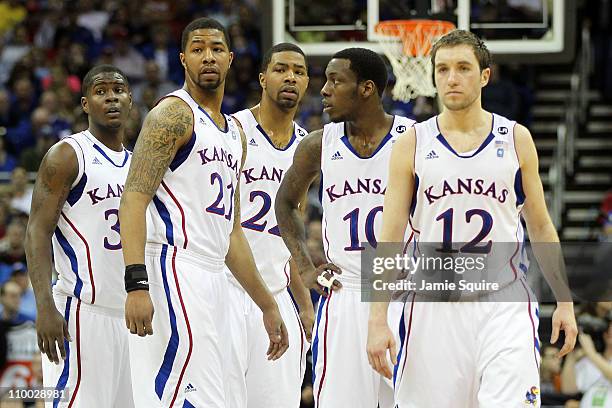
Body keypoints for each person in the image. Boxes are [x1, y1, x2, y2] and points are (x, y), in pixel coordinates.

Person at [366, 29, 578, 407]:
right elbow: (391, 236)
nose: (452, 77)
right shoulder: (412, 143)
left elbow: (541, 225)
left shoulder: (516, 138)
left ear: (484, 76)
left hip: (504, 302)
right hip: (432, 306)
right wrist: (377, 317)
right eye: (443, 68)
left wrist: (564, 299)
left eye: (463, 68)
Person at [118, 17, 288, 408]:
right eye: (197, 49)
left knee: (225, 398)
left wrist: (267, 303)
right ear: (183, 59)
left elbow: (232, 233)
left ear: (230, 58)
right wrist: (136, 283)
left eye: (215, 49)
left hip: (216, 274)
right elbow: (133, 199)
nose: (207, 56)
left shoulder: (234, 133)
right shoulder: (173, 115)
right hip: (175, 265)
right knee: (192, 398)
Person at [275, 47, 415, 407]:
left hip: (404, 295)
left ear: (366, 88)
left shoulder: (415, 139)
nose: (323, 90)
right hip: (345, 294)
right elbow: (285, 203)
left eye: (335, 81)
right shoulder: (319, 144)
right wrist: (305, 267)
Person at [24, 64, 135, 407]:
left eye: (118, 90)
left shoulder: (139, 165)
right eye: (101, 92)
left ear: (130, 100)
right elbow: (36, 232)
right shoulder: (68, 155)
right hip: (82, 314)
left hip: (132, 318)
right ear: (86, 104)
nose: (111, 97)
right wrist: (44, 305)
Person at [226, 42, 312, 408]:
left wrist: (305, 303)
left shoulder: (307, 145)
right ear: (263, 78)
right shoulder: (233, 131)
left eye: (299, 71)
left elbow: (291, 232)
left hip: (278, 294)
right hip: (227, 290)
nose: (290, 76)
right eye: (281, 69)